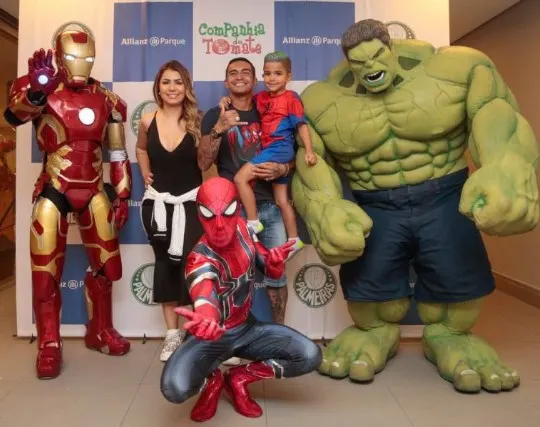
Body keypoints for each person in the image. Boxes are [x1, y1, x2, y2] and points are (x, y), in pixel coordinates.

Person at [292, 18, 538, 393]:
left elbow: (495, 112)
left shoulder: (456, 68)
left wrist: (506, 164)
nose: (371, 68)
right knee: (371, 296)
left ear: (391, 48)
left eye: (377, 56)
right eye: (360, 64)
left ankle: (450, 335)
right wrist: (323, 205)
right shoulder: (322, 101)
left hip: (444, 194)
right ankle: (375, 332)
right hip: (375, 201)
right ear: (348, 64)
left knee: (459, 285)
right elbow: (311, 160)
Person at [3, 26, 131, 379]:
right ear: (58, 55)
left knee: (108, 268)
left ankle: (100, 329)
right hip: (54, 189)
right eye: (74, 57)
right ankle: (49, 343)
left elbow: (117, 149)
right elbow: (14, 116)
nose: (81, 64)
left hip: (94, 189)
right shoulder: (40, 86)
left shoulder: (106, 98)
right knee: (45, 274)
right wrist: (36, 92)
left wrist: (122, 192)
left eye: (87, 58)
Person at [160, 176, 322, 422]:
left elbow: (266, 264)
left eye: (228, 213)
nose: (220, 225)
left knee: (310, 354)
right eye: (209, 215)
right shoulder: (199, 259)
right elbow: (204, 294)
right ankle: (212, 380)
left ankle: (239, 378)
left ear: (238, 207)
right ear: (199, 215)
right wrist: (207, 318)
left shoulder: (245, 229)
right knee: (174, 387)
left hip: (247, 328)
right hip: (212, 337)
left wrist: (276, 266)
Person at [198, 57, 292, 328]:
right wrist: (218, 130)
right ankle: (232, 340)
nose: (239, 77)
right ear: (226, 81)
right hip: (231, 213)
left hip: (270, 207)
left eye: (246, 72)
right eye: (233, 73)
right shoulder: (215, 115)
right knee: (232, 277)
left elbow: (292, 151)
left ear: (255, 80)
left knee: (277, 273)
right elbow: (203, 163)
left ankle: (278, 336)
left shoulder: (270, 110)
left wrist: (283, 167)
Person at [136, 60, 204, 362]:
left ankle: (195, 332)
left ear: (186, 87)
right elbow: (140, 149)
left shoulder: (198, 122)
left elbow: (209, 161)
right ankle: (171, 336)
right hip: (156, 205)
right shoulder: (147, 121)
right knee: (165, 264)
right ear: (158, 87)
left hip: (191, 204)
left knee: (190, 265)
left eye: (178, 82)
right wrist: (145, 172)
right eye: (166, 82)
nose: (172, 87)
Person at [222, 52, 316, 252]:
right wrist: (225, 100)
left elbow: (301, 125)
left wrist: (309, 150)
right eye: (268, 74)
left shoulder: (291, 98)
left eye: (278, 74)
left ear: (288, 77)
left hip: (278, 148)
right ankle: (294, 239)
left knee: (240, 179)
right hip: (274, 150)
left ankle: (254, 221)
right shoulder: (261, 97)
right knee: (281, 200)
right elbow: (242, 98)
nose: (272, 78)